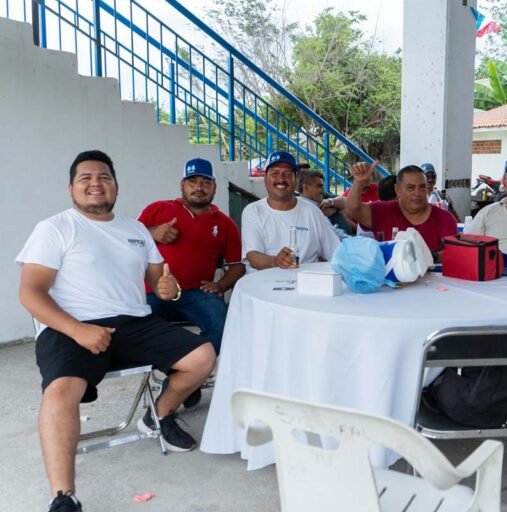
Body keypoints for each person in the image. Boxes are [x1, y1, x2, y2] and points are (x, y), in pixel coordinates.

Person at [16, 150, 216, 512]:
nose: (96, 183)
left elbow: (160, 279)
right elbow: (31, 292)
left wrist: (169, 289)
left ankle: (159, 413)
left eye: (104, 177)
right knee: (60, 393)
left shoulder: (136, 230)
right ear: (71, 187)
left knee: (203, 357)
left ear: (116, 187)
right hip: (71, 325)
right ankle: (64, 496)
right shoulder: (55, 228)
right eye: (86, 177)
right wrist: (78, 330)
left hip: (134, 323)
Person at [138, 158, 244, 357]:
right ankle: (182, 372)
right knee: (131, 325)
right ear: (182, 185)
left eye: (205, 182)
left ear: (214, 187)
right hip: (153, 291)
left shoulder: (226, 224)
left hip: (198, 294)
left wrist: (220, 285)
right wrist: (152, 232)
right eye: (192, 181)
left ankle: (190, 373)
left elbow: (238, 266)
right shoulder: (158, 209)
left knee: (225, 323)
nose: (199, 187)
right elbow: (128, 241)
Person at [242, 151, 340, 272]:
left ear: (295, 180)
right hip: (264, 284)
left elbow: (335, 253)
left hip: (306, 284)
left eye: (288, 174)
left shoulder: (311, 211)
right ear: (265, 180)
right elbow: (253, 256)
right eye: (275, 173)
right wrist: (276, 261)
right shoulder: (253, 211)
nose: (281, 179)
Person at [345, 161, 457, 255]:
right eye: (410, 188)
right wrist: (358, 182)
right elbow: (353, 210)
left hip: (433, 280)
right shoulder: (382, 211)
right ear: (397, 190)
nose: (417, 193)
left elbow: (454, 253)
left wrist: (431, 257)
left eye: (422, 187)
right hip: (389, 280)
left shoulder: (444, 218)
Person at [298, 169, 353, 236]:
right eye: (319, 186)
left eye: (322, 186)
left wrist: (331, 204)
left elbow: (347, 202)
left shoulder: (320, 198)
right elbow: (332, 237)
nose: (322, 190)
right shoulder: (303, 207)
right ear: (305, 187)